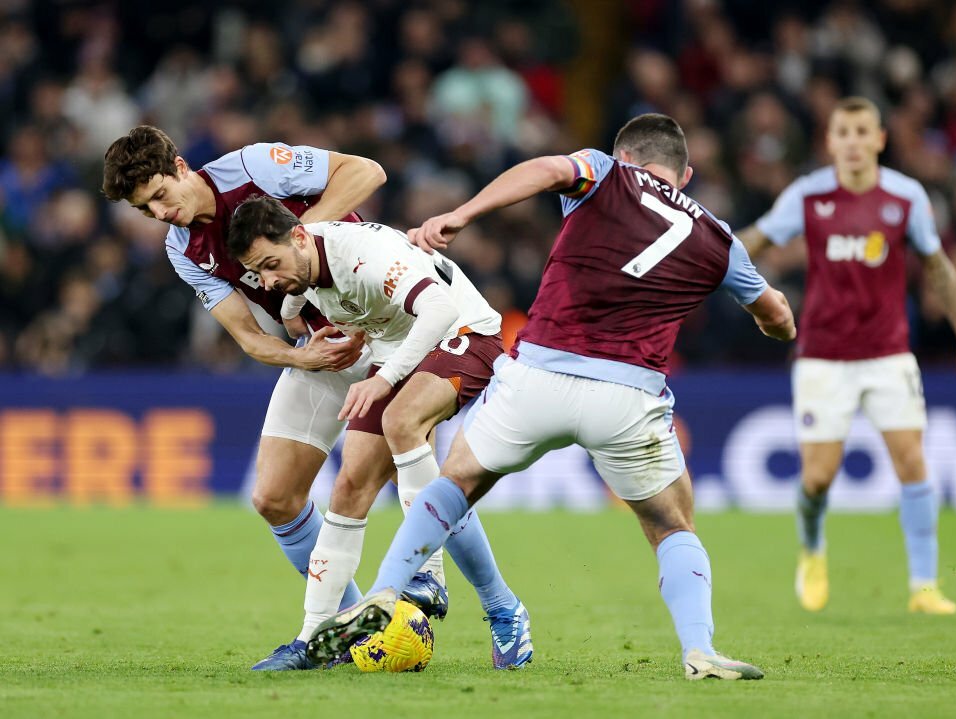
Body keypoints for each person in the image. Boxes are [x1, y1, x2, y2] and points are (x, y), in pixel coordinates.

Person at [302, 113, 795, 680]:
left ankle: (388, 590)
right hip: (628, 397)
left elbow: (545, 169)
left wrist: (461, 214)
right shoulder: (718, 236)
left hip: (537, 378)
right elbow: (777, 315)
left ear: (627, 156)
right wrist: (777, 327)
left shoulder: (607, 173)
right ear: (685, 174)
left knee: (454, 483)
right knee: (672, 526)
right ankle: (699, 649)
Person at [101, 127, 526, 670]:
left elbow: (367, 170)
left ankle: (501, 607)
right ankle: (345, 629)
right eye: (145, 209)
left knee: (404, 466)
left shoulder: (253, 168)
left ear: (181, 167)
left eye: (159, 195)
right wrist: (301, 356)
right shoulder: (183, 249)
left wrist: (299, 236)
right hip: (322, 350)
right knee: (274, 496)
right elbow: (249, 336)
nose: (159, 213)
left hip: (388, 325)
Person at [227, 197, 532, 669]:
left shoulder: (364, 256)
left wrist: (382, 380)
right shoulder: (303, 268)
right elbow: (298, 291)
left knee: (400, 420)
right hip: (402, 348)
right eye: (258, 273)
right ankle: (315, 638)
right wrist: (290, 307)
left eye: (271, 265)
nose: (267, 280)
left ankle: (428, 576)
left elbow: (437, 309)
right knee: (349, 486)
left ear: (301, 237)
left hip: (466, 331)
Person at [734, 97, 956, 614]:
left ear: (879, 139)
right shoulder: (807, 196)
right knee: (818, 478)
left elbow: (937, 267)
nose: (851, 141)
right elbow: (754, 240)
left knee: (912, 461)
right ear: (829, 142)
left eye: (861, 131)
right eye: (842, 131)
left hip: (888, 353)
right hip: (823, 356)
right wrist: (709, 256)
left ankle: (924, 586)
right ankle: (812, 550)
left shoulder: (905, 196)